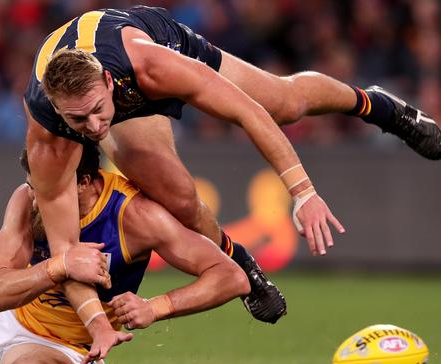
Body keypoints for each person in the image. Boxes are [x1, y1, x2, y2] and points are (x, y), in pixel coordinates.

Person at [23, 5, 439, 333]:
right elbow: (65, 253)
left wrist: (303, 192)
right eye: (79, 121)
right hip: (106, 91)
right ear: (57, 110)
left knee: (284, 102)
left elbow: (249, 113)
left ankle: (379, 105)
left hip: (149, 43)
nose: (96, 127)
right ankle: (243, 265)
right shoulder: (47, 133)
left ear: (110, 86)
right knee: (179, 198)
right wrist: (96, 323)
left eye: (97, 111)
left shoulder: (152, 65)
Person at [0, 145, 251, 364]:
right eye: (34, 185)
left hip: (67, 344)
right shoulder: (26, 200)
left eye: (47, 187)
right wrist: (59, 265)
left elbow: (231, 277)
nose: (36, 196)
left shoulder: (136, 216)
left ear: (85, 181)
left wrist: (157, 306)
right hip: (9, 312)